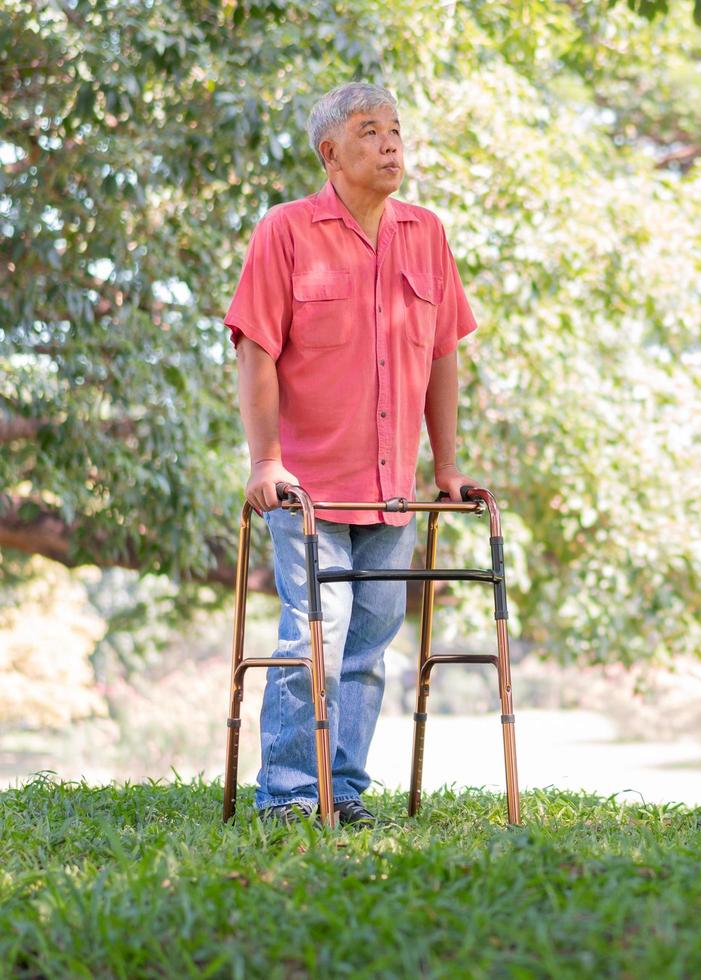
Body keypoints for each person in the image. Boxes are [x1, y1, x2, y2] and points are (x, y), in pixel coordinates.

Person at [224, 82, 479, 827]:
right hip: (308, 491)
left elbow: (441, 358)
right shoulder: (287, 231)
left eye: (395, 129)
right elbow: (256, 351)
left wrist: (448, 468)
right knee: (317, 636)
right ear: (330, 153)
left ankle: (346, 793)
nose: (391, 143)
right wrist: (265, 460)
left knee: (369, 647)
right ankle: (292, 798)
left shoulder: (426, 234)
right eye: (370, 132)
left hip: (392, 490)